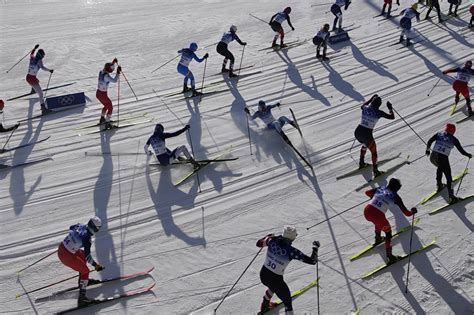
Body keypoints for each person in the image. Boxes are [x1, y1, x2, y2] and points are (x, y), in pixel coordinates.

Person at [257, 226, 317, 314]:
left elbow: (258, 244)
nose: (296, 235)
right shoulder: (292, 251)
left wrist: (267, 237)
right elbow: (313, 261)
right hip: (276, 280)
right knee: (287, 301)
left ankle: (264, 306)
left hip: (263, 275)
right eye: (295, 235)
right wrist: (315, 248)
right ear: (292, 238)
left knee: (272, 286)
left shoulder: (271, 240)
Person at [364, 178, 417, 264]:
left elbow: (367, 193)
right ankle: (390, 257)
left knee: (378, 221)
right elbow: (407, 213)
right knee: (388, 233)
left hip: (367, 211)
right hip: (378, 216)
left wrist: (374, 196)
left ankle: (378, 238)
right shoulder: (396, 197)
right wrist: (413, 212)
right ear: (397, 188)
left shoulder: (381, 188)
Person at [57, 216, 104, 306]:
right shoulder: (87, 239)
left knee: (82, 255)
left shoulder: (80, 225)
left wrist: (72, 241)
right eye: (98, 229)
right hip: (67, 256)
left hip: (62, 247)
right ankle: (82, 299)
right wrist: (96, 266)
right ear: (95, 229)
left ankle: (82, 282)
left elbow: (71, 227)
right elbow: (88, 258)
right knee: (85, 271)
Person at [425, 123, 472, 203]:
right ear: (453, 131)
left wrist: (427, 150)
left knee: (439, 167)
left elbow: (430, 141)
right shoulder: (454, 139)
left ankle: (439, 185)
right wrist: (468, 155)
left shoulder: (439, 134)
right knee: (448, 177)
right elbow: (461, 151)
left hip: (433, 157)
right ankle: (451, 197)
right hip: (443, 159)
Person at [354, 94, 395, 177]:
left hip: (358, 132)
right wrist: (390, 108)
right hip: (367, 134)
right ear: (379, 105)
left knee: (364, 144)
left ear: (372, 102)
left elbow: (363, 105)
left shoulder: (365, 108)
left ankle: (361, 162)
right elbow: (392, 117)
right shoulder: (379, 112)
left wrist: (371, 98)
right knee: (374, 153)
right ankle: (375, 171)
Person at [25, 45, 54, 114]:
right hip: (32, 79)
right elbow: (43, 67)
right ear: (41, 56)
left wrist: (34, 48)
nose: (43, 57)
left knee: (36, 81)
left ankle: (33, 89)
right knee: (41, 94)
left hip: (28, 77)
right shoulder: (39, 61)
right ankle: (43, 109)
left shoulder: (32, 58)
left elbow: (31, 54)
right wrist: (49, 70)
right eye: (43, 56)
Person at [96, 59, 121, 128]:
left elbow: (108, 66)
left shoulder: (101, 71)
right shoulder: (106, 76)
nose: (112, 69)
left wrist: (113, 62)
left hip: (98, 93)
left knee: (106, 106)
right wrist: (118, 73)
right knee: (110, 107)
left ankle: (102, 119)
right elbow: (115, 80)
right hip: (103, 95)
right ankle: (107, 123)